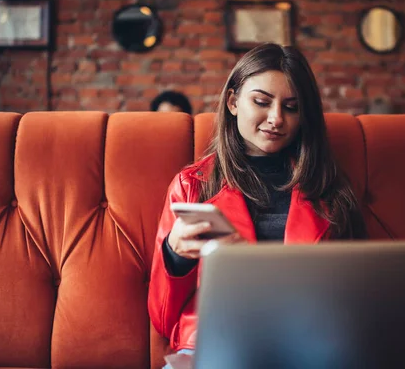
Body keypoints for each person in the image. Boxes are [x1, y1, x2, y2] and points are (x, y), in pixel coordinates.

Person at [148, 43, 367, 367]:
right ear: (233, 101)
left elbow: (360, 294)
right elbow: (164, 320)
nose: (276, 119)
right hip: (212, 346)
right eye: (262, 102)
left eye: (291, 107)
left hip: (305, 345)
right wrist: (175, 256)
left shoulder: (329, 189)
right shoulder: (192, 185)